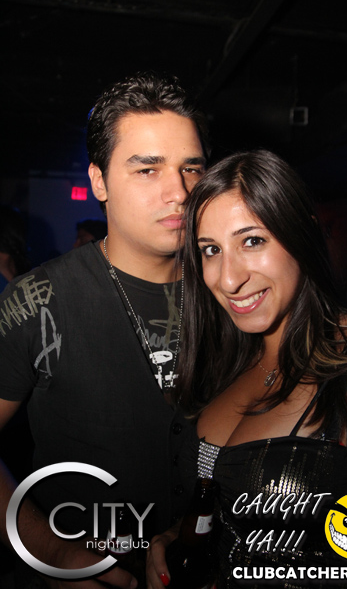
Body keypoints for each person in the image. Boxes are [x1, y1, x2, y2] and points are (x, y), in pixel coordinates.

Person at [147, 150, 347, 588]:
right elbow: (227, 508)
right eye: (211, 250)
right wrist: (177, 537)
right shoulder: (227, 363)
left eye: (252, 241)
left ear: (301, 234)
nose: (229, 279)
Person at [0, 71, 208, 588]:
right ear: (99, 182)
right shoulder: (37, 302)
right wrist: (50, 549)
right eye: (147, 169)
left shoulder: (233, 292)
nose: (179, 192)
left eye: (191, 168)